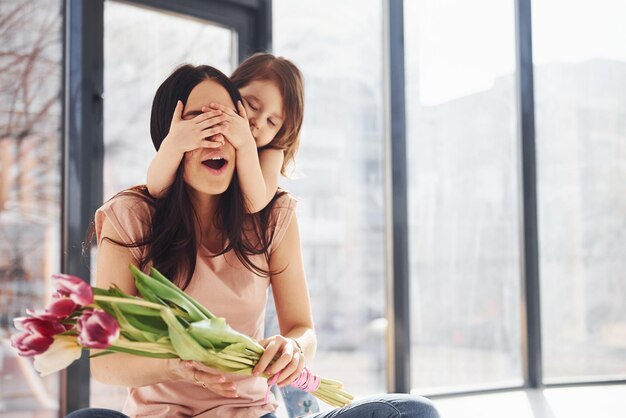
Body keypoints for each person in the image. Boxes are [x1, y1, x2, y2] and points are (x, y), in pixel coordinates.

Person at [68, 65, 439, 418]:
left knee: (415, 412)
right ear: (171, 136)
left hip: (250, 412)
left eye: (229, 121)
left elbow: (303, 330)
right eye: (199, 121)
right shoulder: (129, 216)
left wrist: (293, 348)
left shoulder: (272, 215)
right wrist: (176, 365)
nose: (216, 134)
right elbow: (106, 361)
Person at [146, 53, 303, 215]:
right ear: (231, 91)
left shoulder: (272, 154)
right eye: (252, 105)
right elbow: (157, 189)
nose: (258, 123)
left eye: (272, 122)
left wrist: (245, 144)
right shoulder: (214, 132)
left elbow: (253, 203)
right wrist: (174, 144)